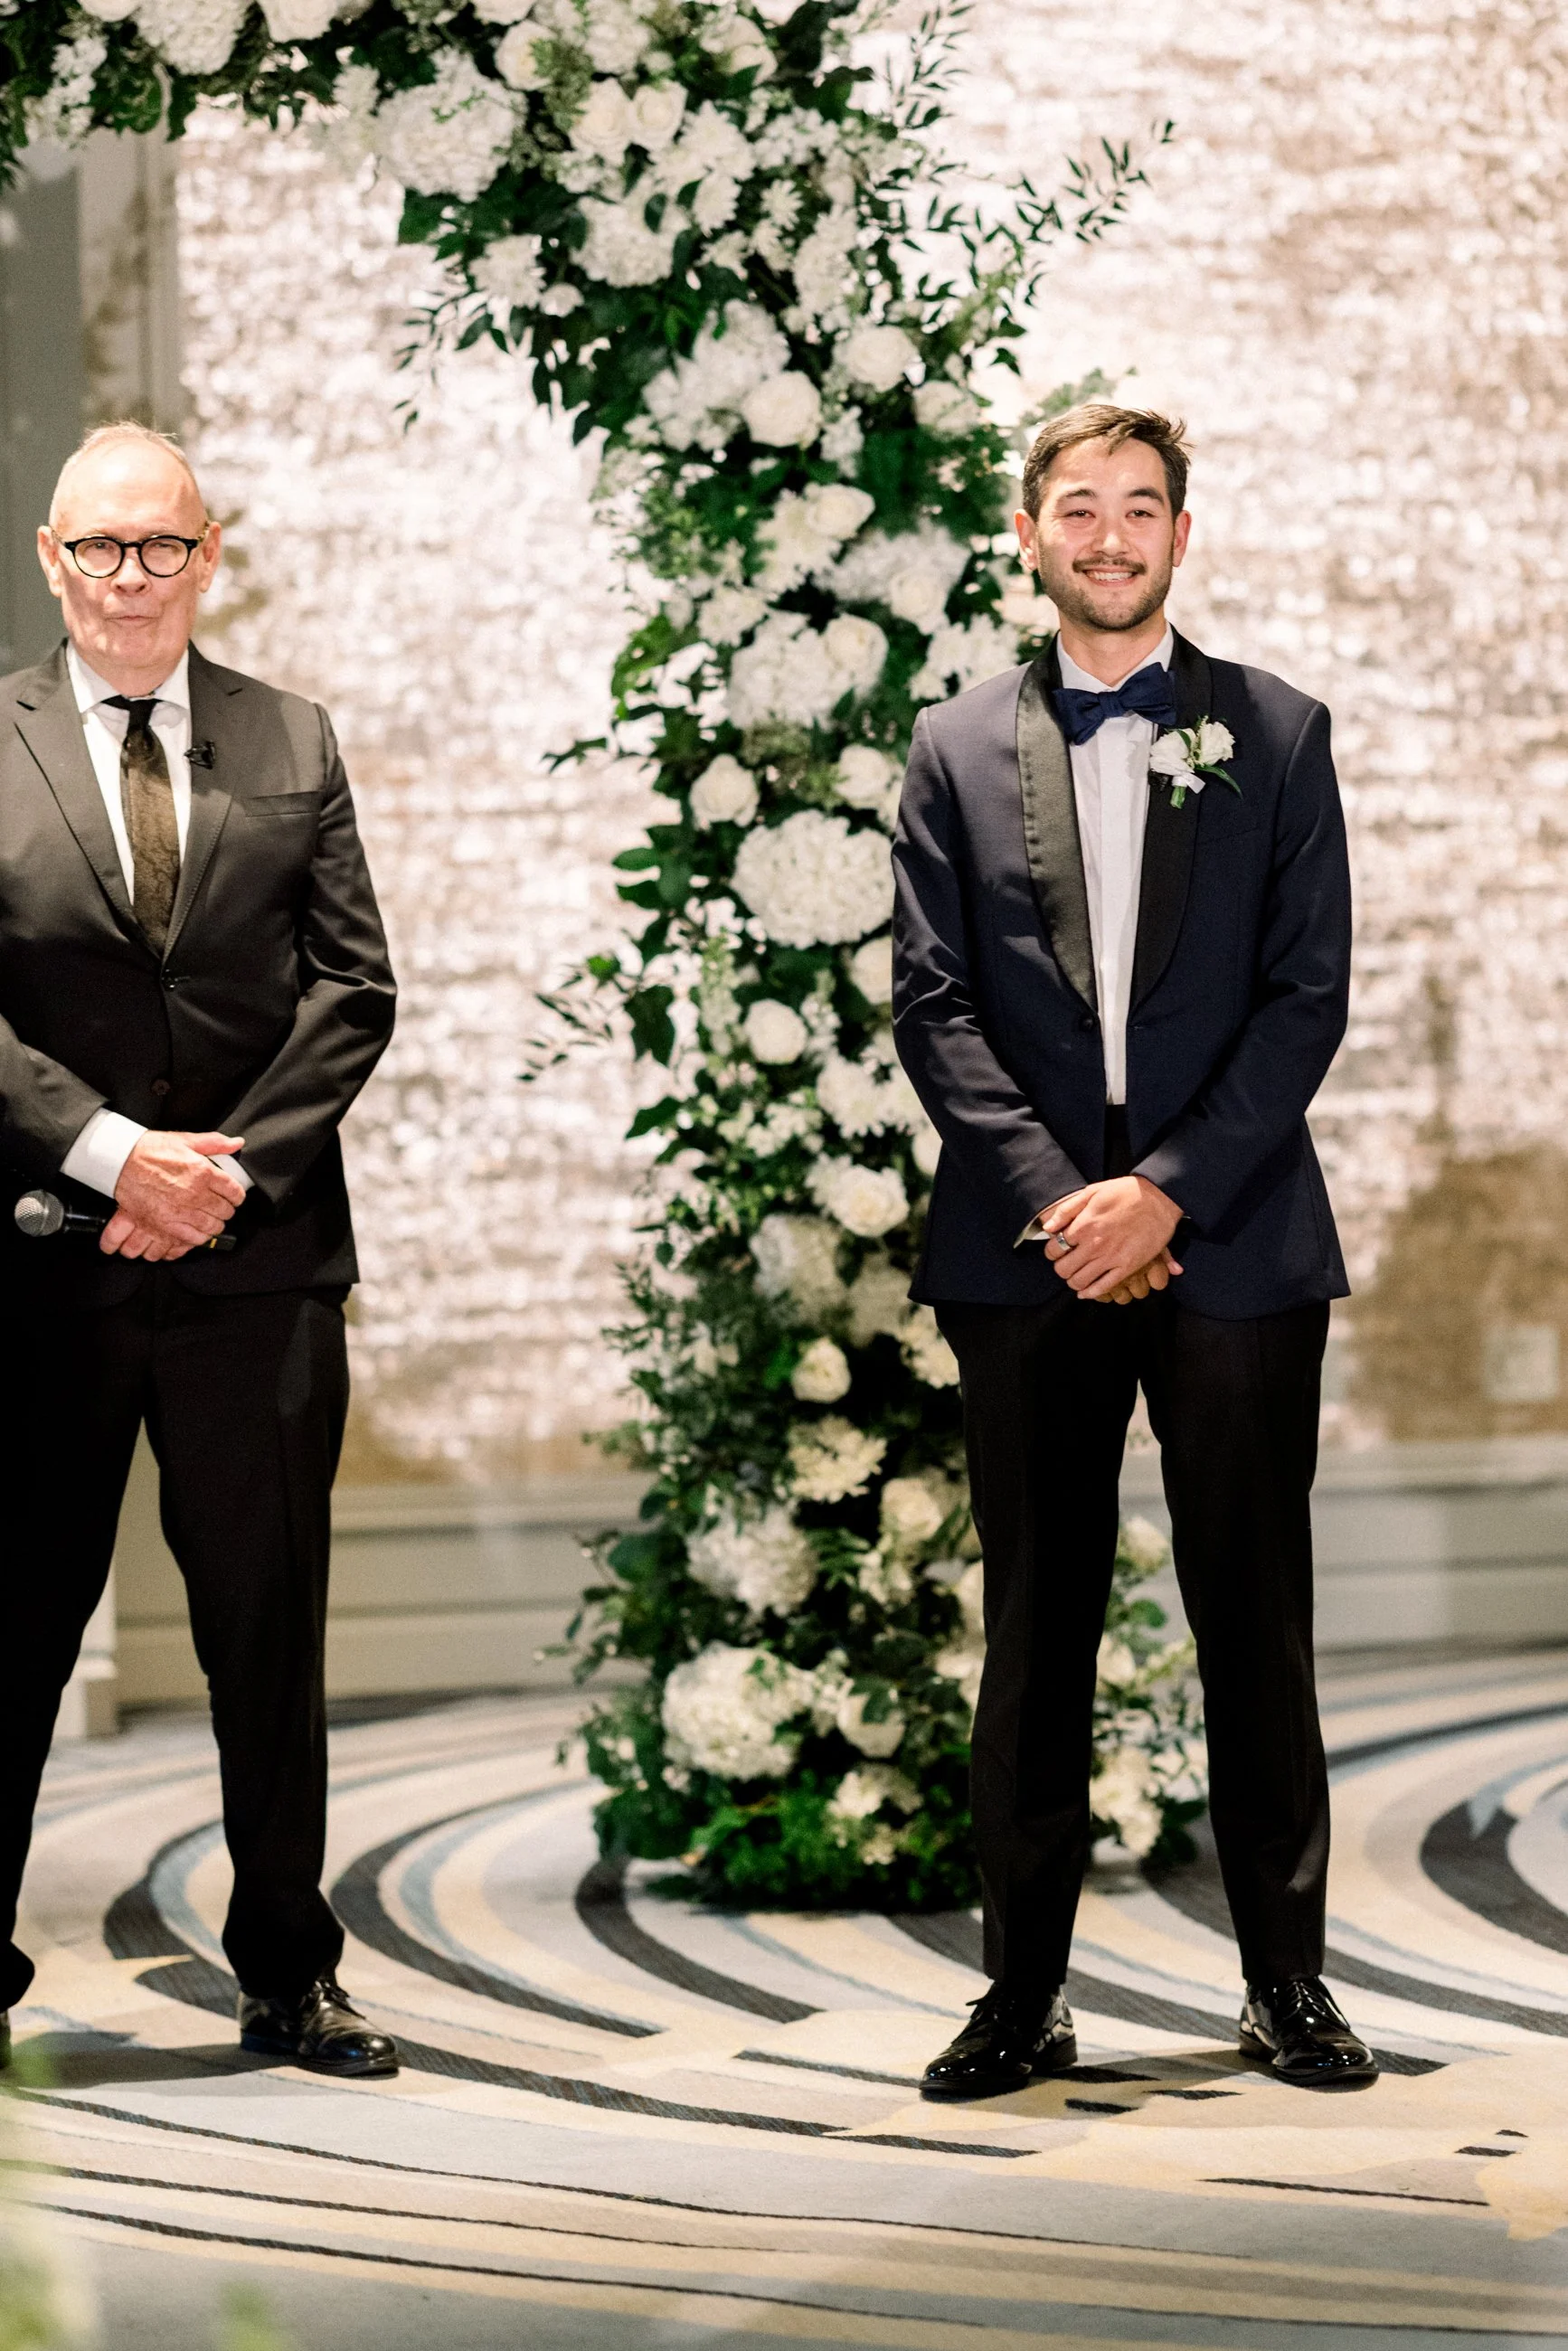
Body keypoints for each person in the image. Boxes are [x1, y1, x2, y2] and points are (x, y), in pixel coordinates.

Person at [893, 403, 1374, 2096]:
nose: (1110, 536)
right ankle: (1021, 1993)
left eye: (1141, 507)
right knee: (1037, 1625)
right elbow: (933, 1004)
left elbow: (1305, 992)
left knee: (1256, 1618)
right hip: (1024, 1252)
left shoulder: (1278, 731)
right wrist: (1065, 1203)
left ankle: (1286, 1982)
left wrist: (1161, 1192)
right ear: (1028, 533)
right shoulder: (952, 744)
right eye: (1079, 508)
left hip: (1229, 1239)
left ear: (1183, 531)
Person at [0, 422, 398, 2079]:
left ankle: (290, 1974)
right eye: (100, 547)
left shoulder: (291, 735)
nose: (131, 578)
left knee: (265, 1634)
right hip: (40, 1273)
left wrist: (217, 1181)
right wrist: (113, 1156)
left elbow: (353, 986)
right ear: (52, 559)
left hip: (257, 1272)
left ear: (208, 554)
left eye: (162, 545)